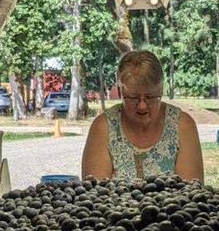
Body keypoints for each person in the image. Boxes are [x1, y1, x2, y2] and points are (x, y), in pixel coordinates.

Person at [82, 49, 203, 182]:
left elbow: (192, 192)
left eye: (150, 97)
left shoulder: (182, 125)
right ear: (119, 91)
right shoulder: (103, 128)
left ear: (161, 90)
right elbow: (95, 193)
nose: (142, 106)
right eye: (133, 97)